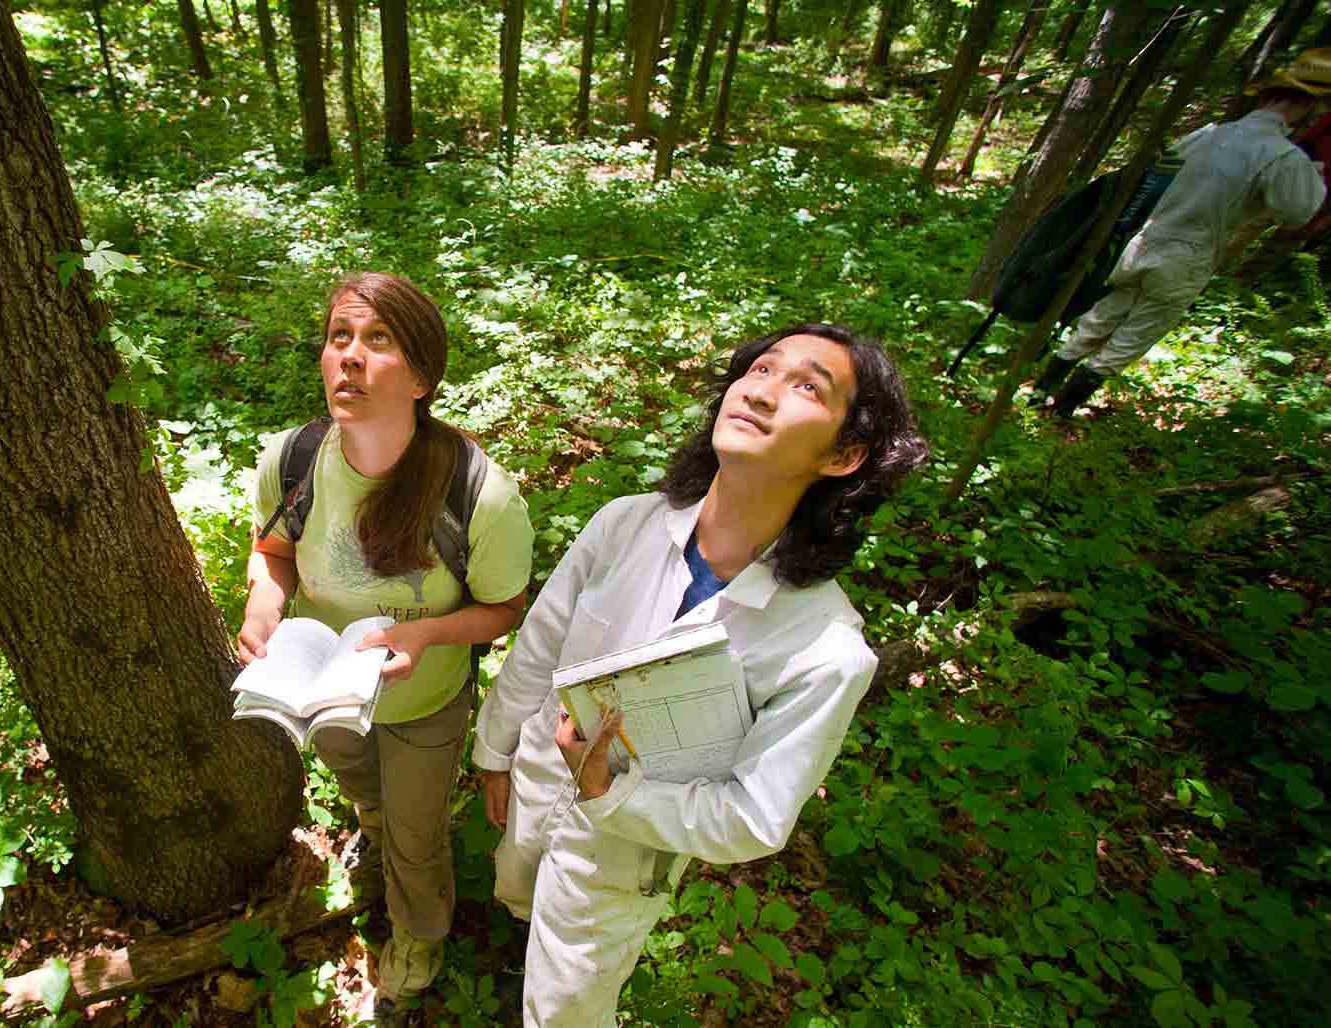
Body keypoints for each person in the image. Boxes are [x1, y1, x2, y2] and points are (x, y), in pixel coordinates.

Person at [474, 324, 929, 1027]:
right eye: (761, 368)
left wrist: (610, 795)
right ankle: (517, 953)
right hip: (536, 782)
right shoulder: (625, 525)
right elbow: (540, 646)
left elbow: (754, 817)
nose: (763, 389)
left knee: (566, 1009)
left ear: (845, 454)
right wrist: (494, 749)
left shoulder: (824, 649)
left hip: (622, 860)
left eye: (807, 385)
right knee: (518, 890)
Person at [237, 273, 533, 1013]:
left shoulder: (477, 494)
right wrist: (265, 600)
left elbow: (505, 606)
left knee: (418, 837)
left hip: (423, 699)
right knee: (361, 784)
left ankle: (420, 936)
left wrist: (430, 632)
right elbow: (272, 548)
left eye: (378, 340)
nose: (351, 358)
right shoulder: (294, 459)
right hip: (324, 693)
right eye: (340, 338)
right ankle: (371, 817)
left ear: (422, 377)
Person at [1032, 48, 1331, 417]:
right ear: (1306, 107)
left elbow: (1162, 170)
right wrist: (1312, 172)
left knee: (1104, 315)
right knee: (1133, 334)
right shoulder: (1282, 157)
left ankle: (1041, 391)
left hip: (1146, 240)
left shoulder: (1208, 135)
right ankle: (1059, 409)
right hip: (1188, 256)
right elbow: (1297, 213)